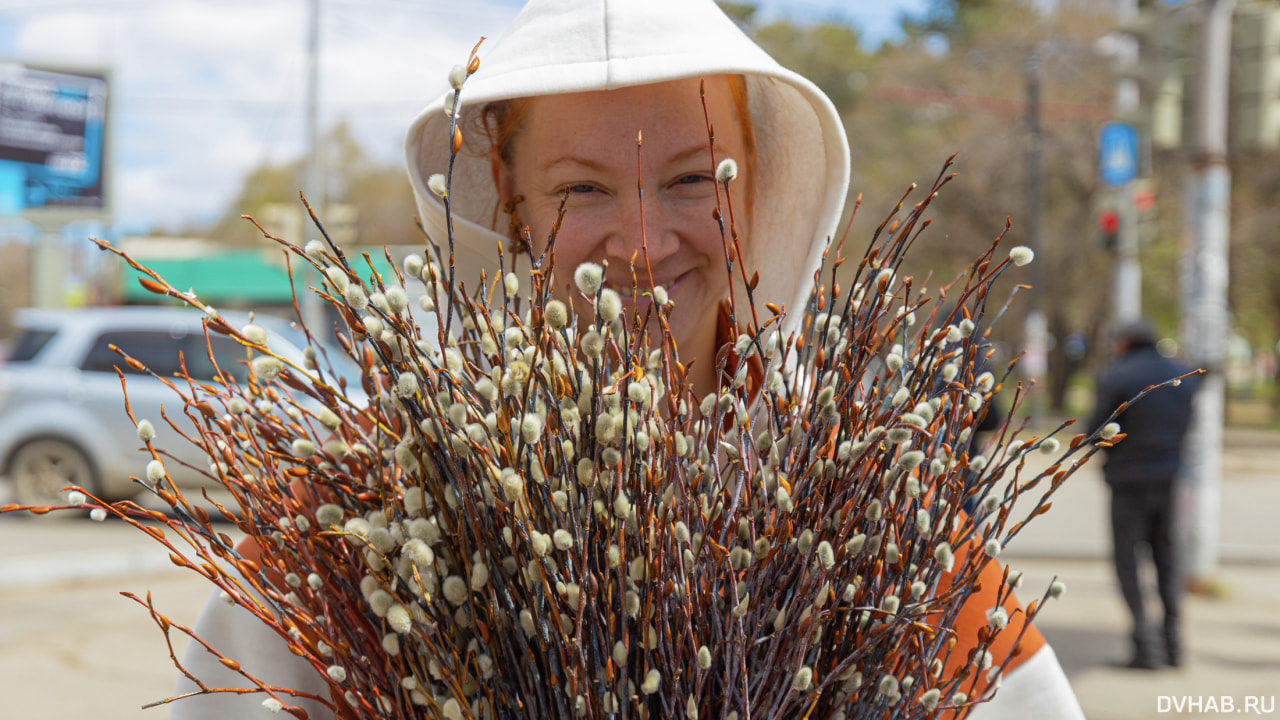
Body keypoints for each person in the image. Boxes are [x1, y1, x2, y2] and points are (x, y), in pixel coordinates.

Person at [172, 1, 1084, 718]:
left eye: (693, 177)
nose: (644, 243)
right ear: (513, 208)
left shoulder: (874, 541)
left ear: (755, 185)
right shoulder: (355, 524)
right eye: (580, 187)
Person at [1088, 319, 1198, 670]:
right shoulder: (1181, 377)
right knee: (1166, 559)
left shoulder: (1118, 375)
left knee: (1128, 562)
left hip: (1128, 481)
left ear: (1124, 343)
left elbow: (1096, 431)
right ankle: (1172, 644)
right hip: (1168, 478)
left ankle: (1145, 646)